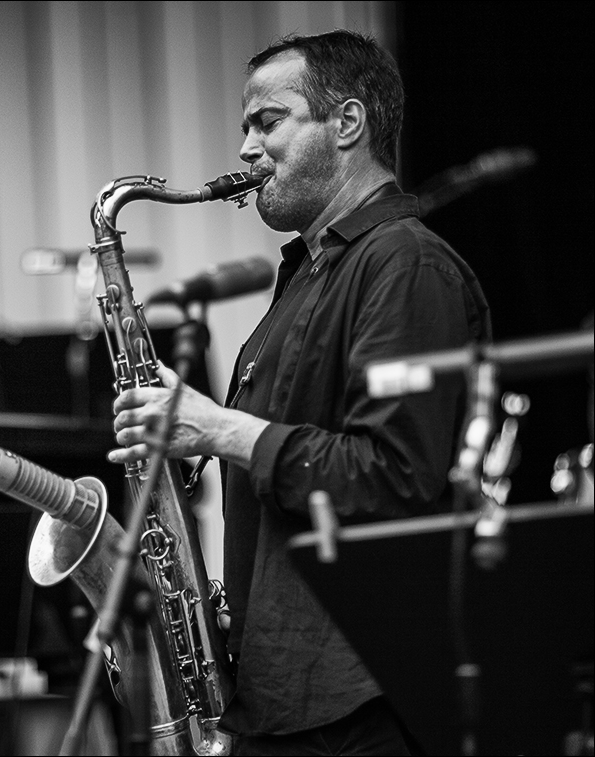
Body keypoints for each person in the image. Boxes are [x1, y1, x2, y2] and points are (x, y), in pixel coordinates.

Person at [108, 29, 492, 755]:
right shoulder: (307, 275)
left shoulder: (406, 266)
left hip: (363, 703)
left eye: (269, 121)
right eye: (244, 128)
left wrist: (217, 429)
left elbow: (396, 475)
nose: (247, 149)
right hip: (288, 696)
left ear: (347, 123)